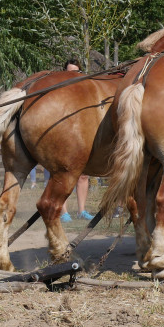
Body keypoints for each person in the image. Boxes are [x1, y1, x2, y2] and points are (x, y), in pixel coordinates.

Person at [61, 58, 92, 222]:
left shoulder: (84, 90)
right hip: (65, 135)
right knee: (63, 174)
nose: (72, 75)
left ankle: (81, 210)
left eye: (76, 72)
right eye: (69, 72)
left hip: (81, 135)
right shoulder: (60, 90)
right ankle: (63, 212)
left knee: (84, 175)